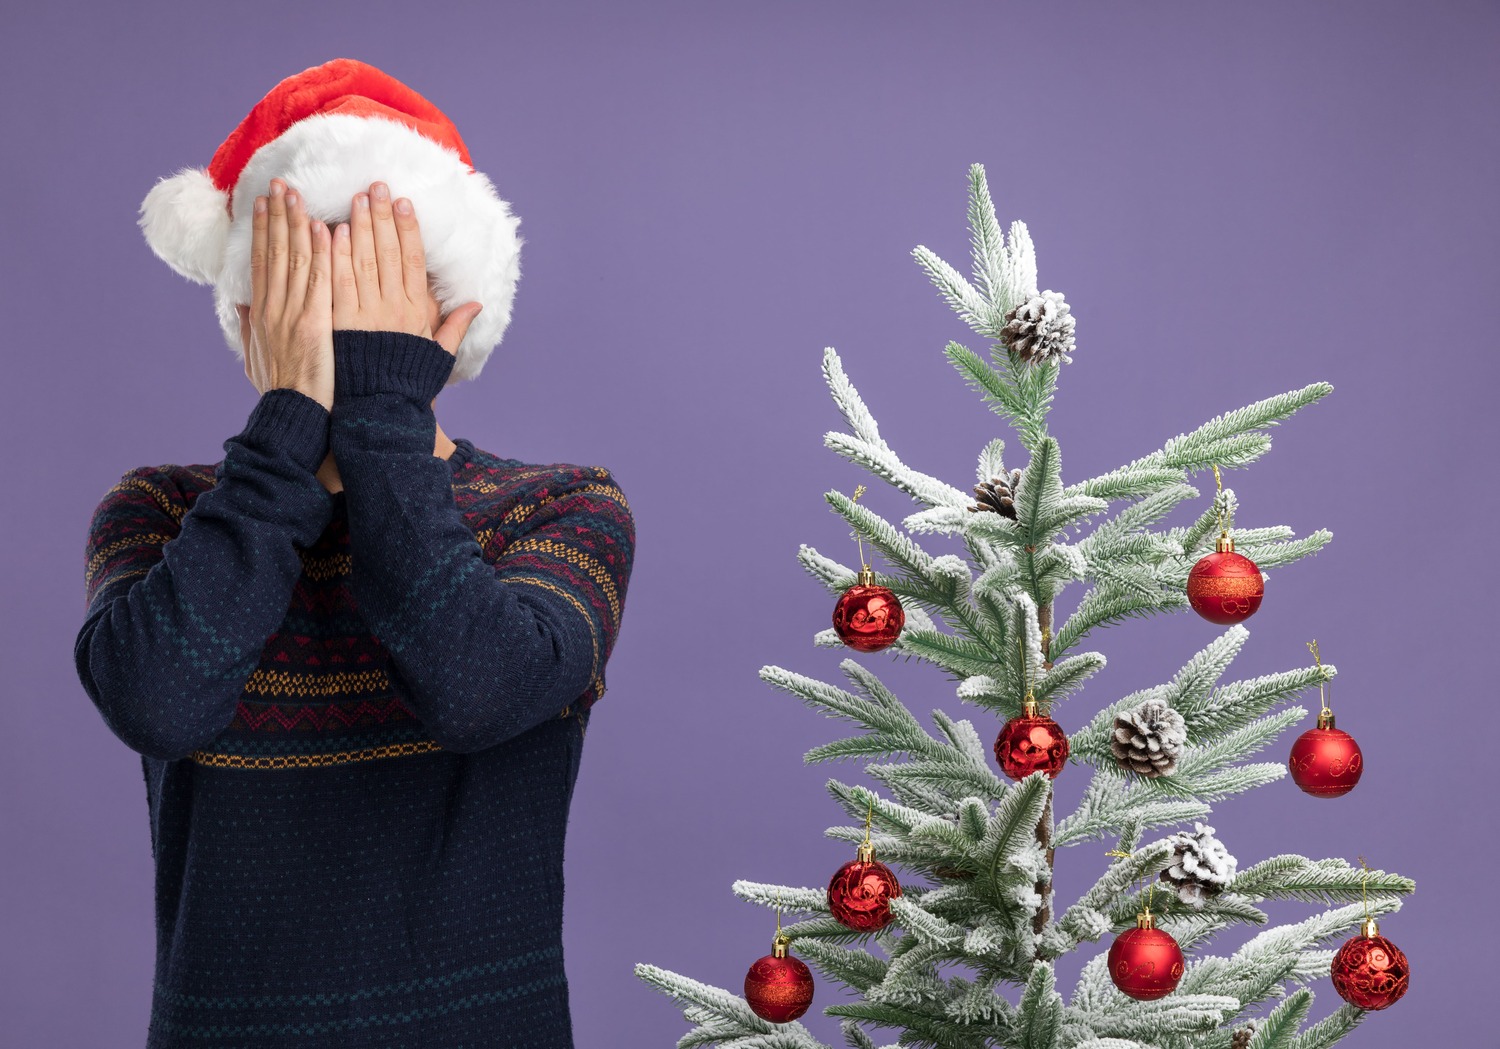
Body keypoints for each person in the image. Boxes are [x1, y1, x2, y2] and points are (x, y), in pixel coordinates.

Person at [73, 59, 635, 1049]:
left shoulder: (560, 508)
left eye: (371, 280)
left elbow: (476, 688)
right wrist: (290, 423)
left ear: (452, 316)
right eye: (303, 279)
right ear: (249, 320)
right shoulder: (161, 511)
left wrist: (380, 415)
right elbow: (156, 698)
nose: (339, 318)